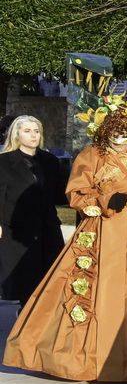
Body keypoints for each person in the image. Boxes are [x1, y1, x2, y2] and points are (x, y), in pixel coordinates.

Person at [3, 97, 127, 381]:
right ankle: (90, 358)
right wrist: (104, 199)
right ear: (105, 130)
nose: (120, 137)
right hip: (102, 232)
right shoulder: (90, 155)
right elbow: (75, 194)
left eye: (125, 131)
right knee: (100, 291)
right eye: (114, 131)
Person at [0, 116, 67, 305]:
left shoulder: (50, 161)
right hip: (17, 231)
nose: (33, 135)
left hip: (48, 229)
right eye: (27, 131)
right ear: (16, 134)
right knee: (25, 284)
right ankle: (24, 322)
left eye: (36, 131)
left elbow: (59, 193)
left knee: (50, 280)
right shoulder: (3, 162)